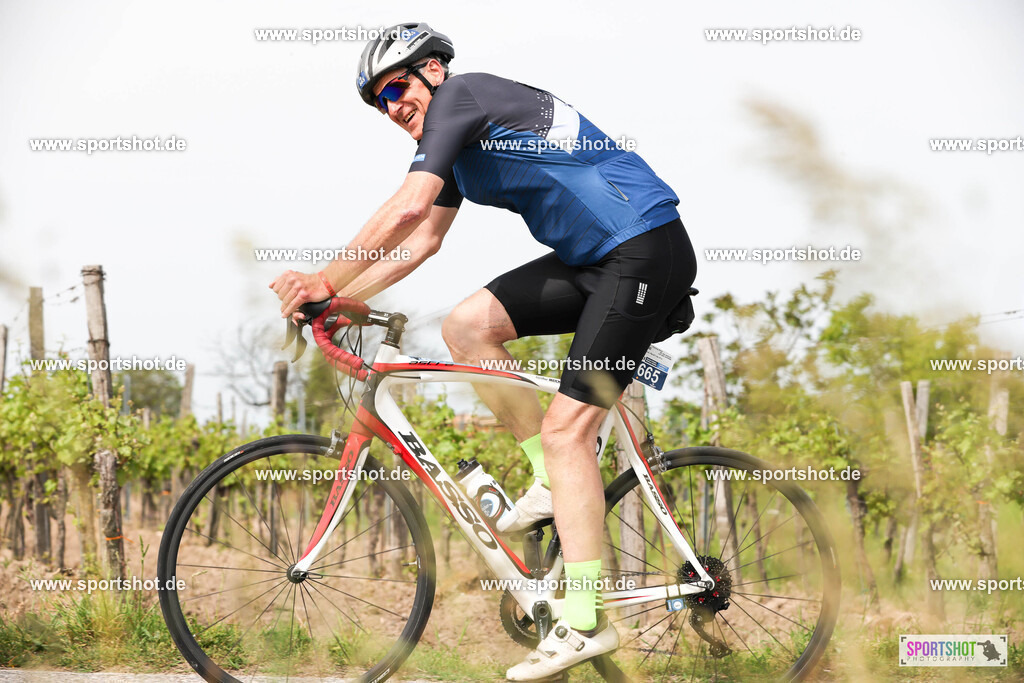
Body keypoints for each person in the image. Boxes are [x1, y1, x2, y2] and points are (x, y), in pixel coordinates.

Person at [270, 22, 697, 681]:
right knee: (468, 325)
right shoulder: (459, 148)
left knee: (567, 433)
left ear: (433, 71)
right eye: (380, 101)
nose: (393, 108)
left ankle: (584, 619)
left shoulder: (462, 98)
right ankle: (552, 479)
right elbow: (422, 243)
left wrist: (324, 278)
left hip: (642, 247)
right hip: (595, 262)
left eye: (396, 88)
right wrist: (344, 299)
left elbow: (407, 207)